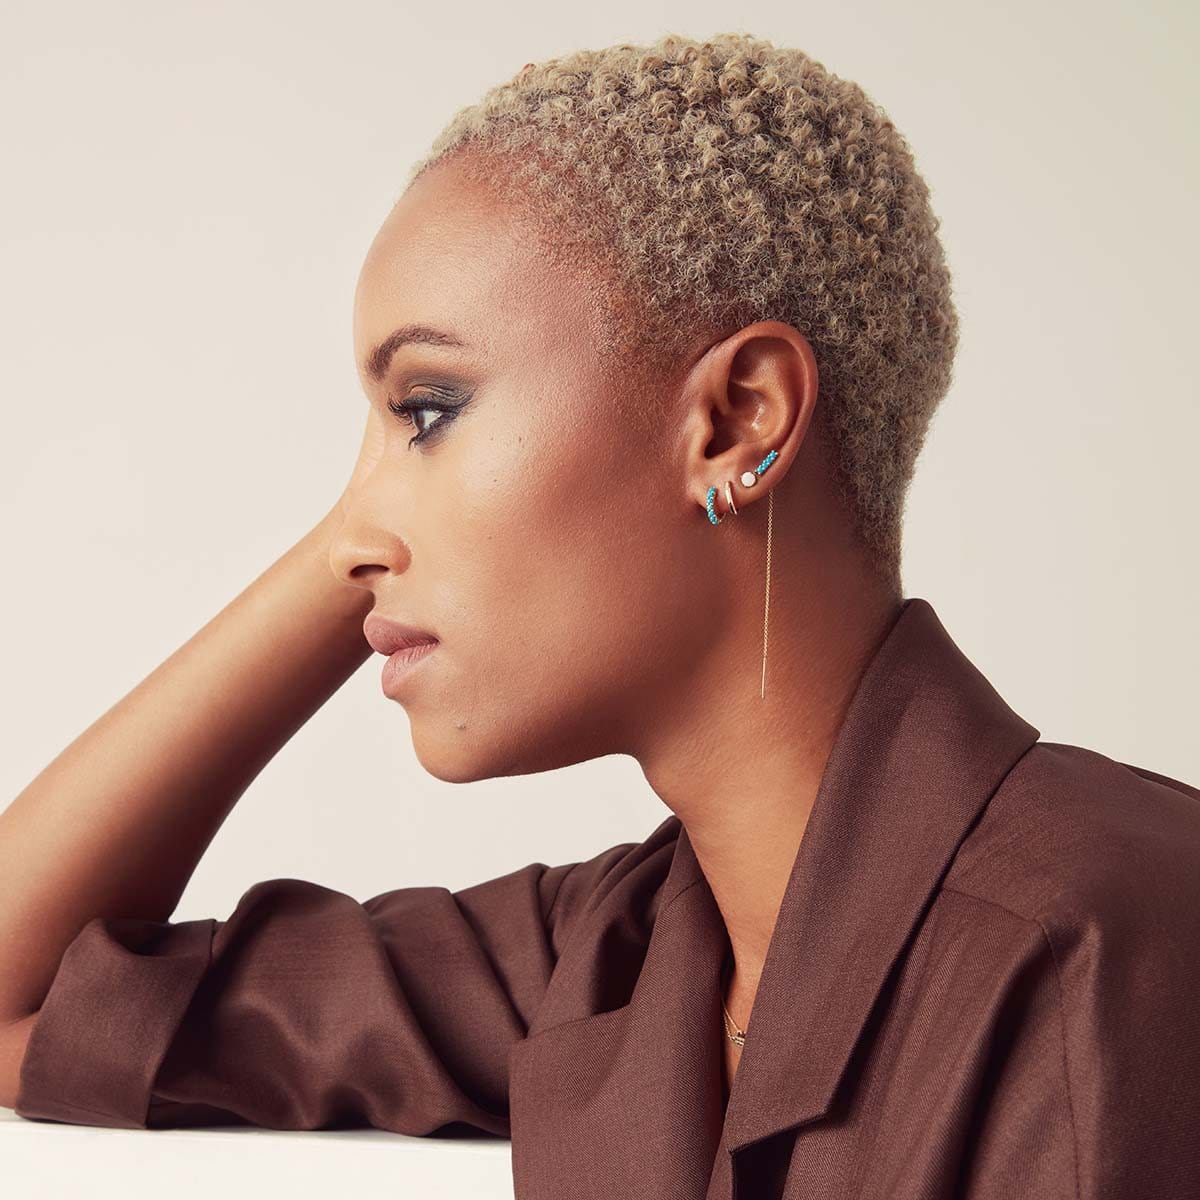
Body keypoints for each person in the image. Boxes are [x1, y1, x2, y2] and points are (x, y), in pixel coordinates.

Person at [2, 31, 1198, 1200]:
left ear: (737, 421)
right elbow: (26, 1005)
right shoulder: (615, 962)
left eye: (427, 410)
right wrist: (363, 540)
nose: (351, 541)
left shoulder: (1108, 951)